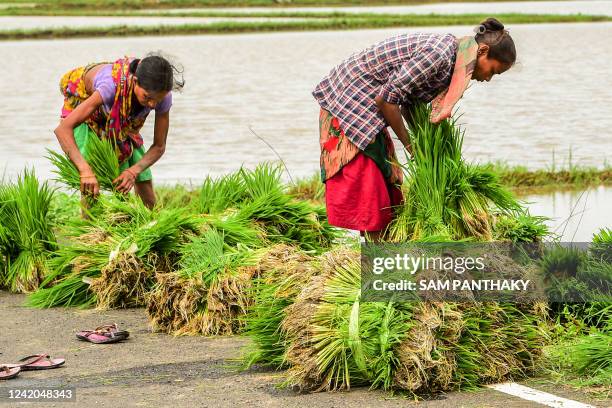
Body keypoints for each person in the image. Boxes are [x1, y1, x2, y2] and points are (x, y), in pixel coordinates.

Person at [313, 18, 516, 241]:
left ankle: (381, 254)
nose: (487, 78)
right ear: (483, 50)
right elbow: (387, 100)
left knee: (387, 188)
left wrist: (427, 146)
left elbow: (410, 104)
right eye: (493, 71)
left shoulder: (453, 62)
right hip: (351, 101)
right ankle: (376, 261)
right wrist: (412, 148)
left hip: (370, 107)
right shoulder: (439, 55)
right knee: (370, 187)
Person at [54, 53, 184, 209]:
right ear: (135, 81)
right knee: (90, 183)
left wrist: (133, 171)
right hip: (85, 112)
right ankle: (89, 230)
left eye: (158, 100)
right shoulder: (110, 87)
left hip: (122, 120)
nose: (152, 105)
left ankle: (150, 224)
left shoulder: (161, 97)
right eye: (147, 97)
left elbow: (159, 146)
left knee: (144, 181)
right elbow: (63, 129)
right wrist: (85, 171)